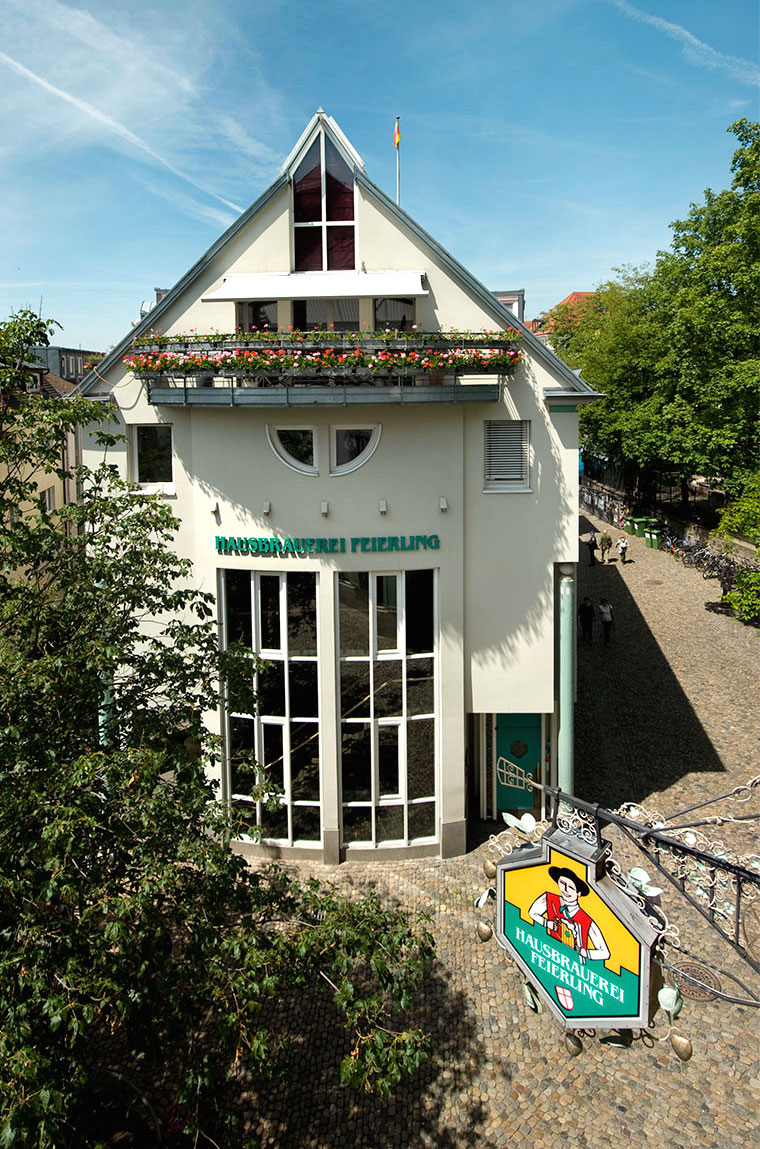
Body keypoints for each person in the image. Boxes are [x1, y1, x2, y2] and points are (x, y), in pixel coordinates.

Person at [528, 867, 610, 963]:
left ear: (578, 893)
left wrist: (586, 953)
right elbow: (532, 913)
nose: (565, 890)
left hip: (574, 963)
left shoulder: (586, 921)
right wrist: (546, 923)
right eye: (562, 883)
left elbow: (605, 953)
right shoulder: (549, 899)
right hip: (549, 951)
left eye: (571, 887)